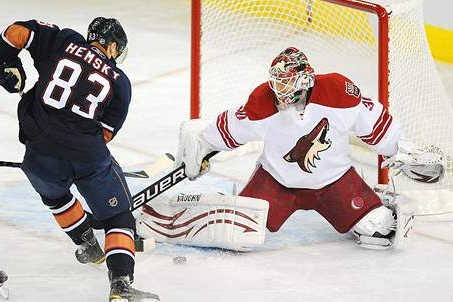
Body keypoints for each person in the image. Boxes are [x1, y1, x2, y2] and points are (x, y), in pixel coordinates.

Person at [172, 47, 445, 250]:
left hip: (334, 182)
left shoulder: (338, 92)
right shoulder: (263, 102)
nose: (279, 89)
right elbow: (232, 126)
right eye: (276, 81)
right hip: (276, 182)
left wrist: (397, 148)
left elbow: (371, 122)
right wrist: (203, 143)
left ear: (304, 79)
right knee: (238, 234)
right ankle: (233, 203)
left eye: (286, 82)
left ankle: (377, 205)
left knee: (380, 230)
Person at [0, 18, 159, 301]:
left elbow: (16, 32)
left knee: (57, 198)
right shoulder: (120, 82)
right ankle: (120, 283)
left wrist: (7, 63)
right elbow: (105, 134)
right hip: (87, 158)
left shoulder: (63, 41)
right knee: (118, 217)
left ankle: (88, 245)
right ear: (114, 46)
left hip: (38, 157)